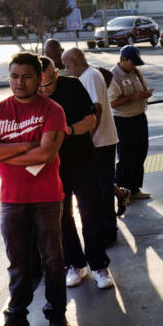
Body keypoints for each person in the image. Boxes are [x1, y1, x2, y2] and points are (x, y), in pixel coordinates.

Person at [0, 52, 72, 326]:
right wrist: (30, 144)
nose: (19, 82)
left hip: (47, 196)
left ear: (40, 78)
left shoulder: (53, 110)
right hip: (11, 199)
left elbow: (47, 154)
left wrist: (10, 153)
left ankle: (57, 315)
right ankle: (16, 320)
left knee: (53, 259)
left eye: (27, 76)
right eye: (14, 76)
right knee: (17, 263)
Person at [39, 56, 114, 289]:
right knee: (62, 217)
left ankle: (99, 265)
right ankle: (75, 264)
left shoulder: (73, 85)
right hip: (53, 167)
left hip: (82, 160)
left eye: (48, 85)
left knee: (90, 212)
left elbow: (91, 120)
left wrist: (67, 131)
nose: (44, 90)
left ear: (56, 75)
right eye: (39, 86)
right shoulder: (32, 96)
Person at [62, 47, 121, 240]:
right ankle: (106, 228)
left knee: (103, 188)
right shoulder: (91, 74)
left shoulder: (89, 77)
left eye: (66, 65)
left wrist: (89, 140)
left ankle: (108, 232)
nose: (65, 69)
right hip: (102, 140)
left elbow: (97, 109)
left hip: (101, 142)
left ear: (74, 61)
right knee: (101, 187)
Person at [107, 45, 153, 201]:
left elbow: (142, 88)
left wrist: (145, 94)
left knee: (140, 153)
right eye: (133, 62)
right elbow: (111, 103)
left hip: (139, 117)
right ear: (123, 59)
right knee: (126, 157)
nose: (135, 66)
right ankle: (122, 191)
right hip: (123, 121)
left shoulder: (136, 72)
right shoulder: (113, 76)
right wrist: (134, 97)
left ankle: (134, 189)